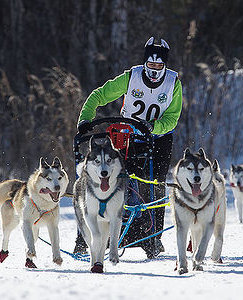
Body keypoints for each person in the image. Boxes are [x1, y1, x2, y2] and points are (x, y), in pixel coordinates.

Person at [74, 37, 183, 258]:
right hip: (128, 135)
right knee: (122, 178)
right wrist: (85, 119)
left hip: (159, 137)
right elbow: (98, 96)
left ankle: (153, 237)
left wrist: (153, 126)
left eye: (159, 66)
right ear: (145, 63)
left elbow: (172, 117)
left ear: (165, 66)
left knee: (155, 184)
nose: (154, 70)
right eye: (150, 65)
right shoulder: (130, 78)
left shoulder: (173, 83)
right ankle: (111, 228)